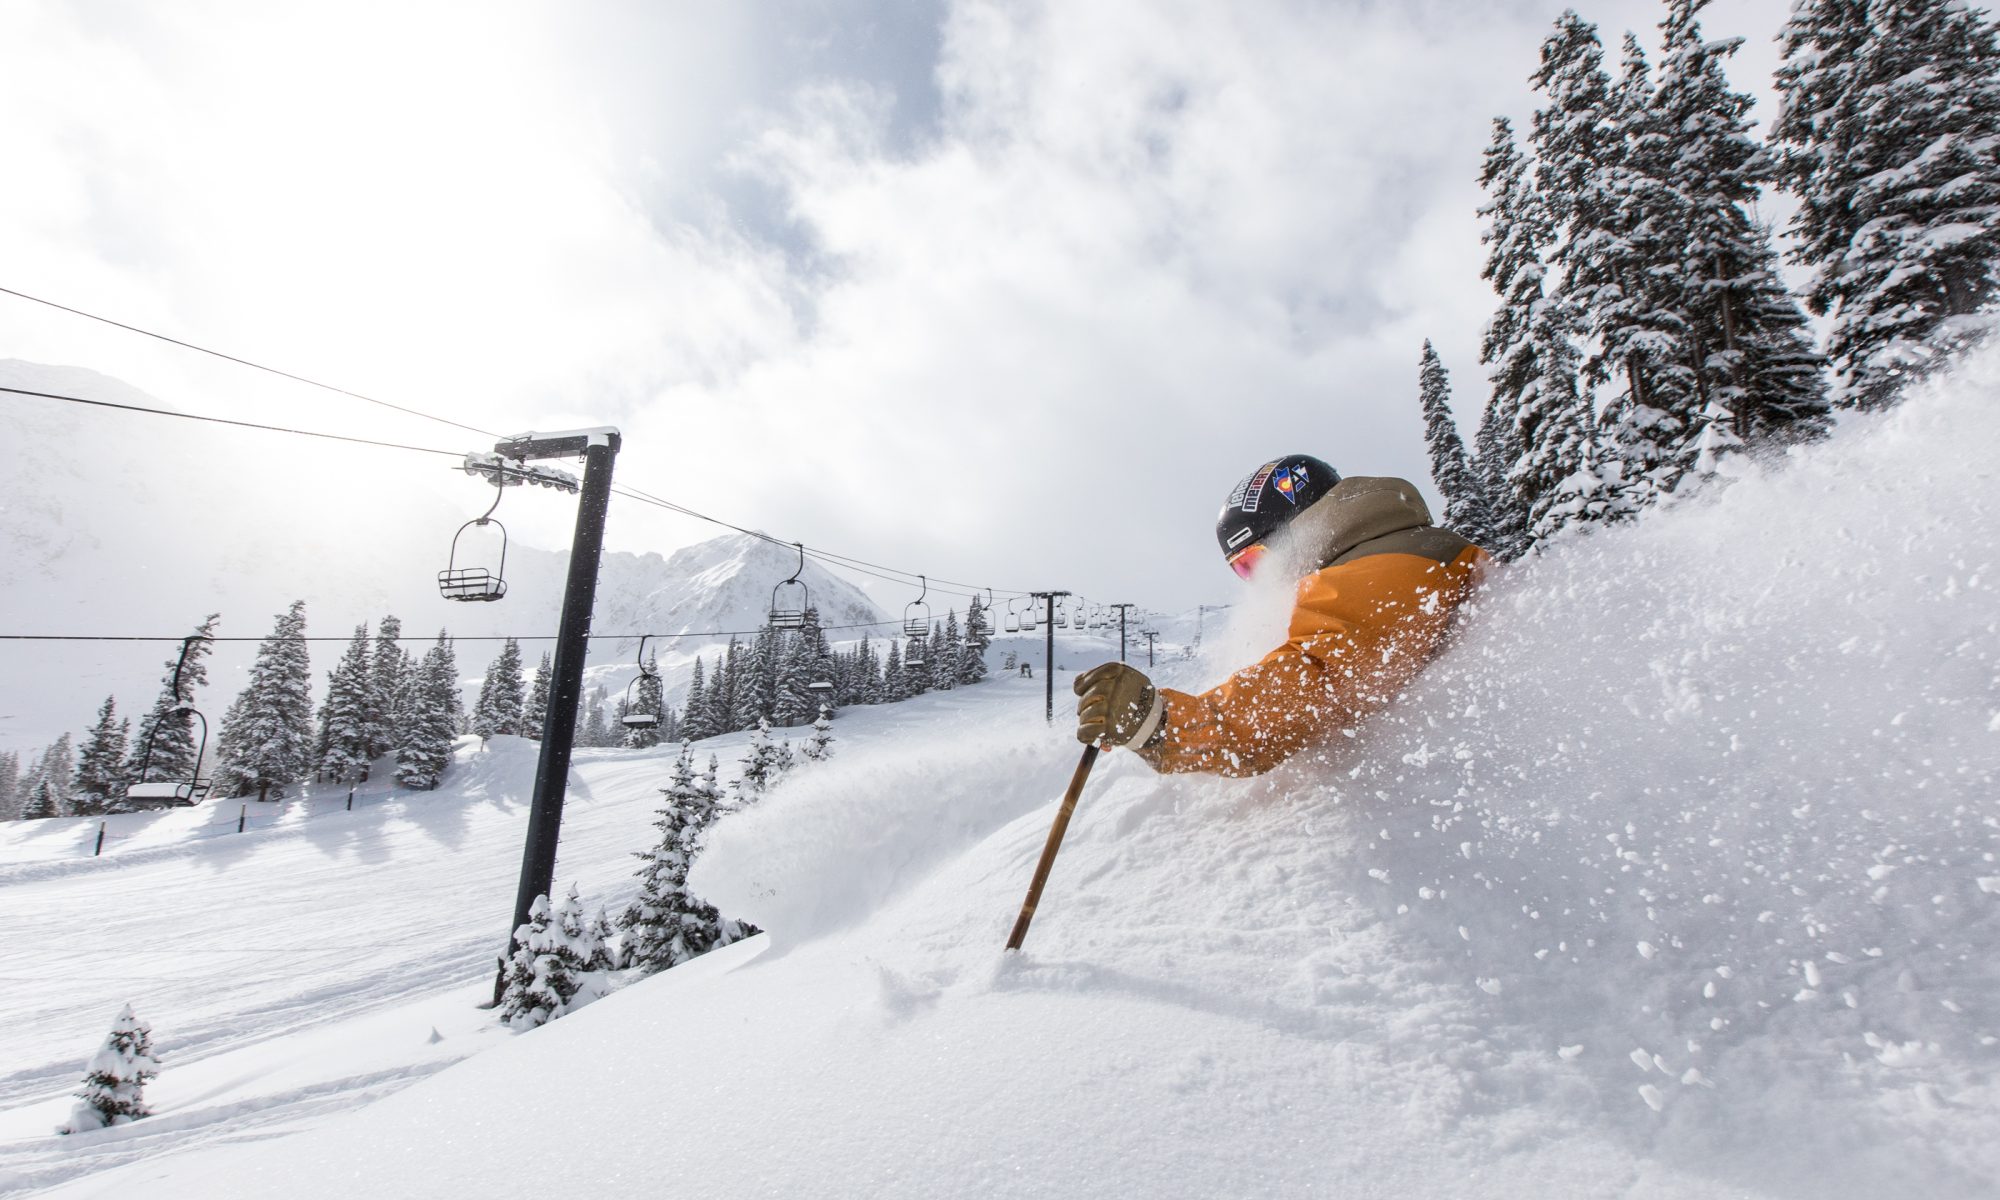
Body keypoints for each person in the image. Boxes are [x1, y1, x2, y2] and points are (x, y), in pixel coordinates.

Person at [1074, 455, 1488, 777]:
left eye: (1254, 562)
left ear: (1303, 526)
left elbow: (1313, 679)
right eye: (1242, 572)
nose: (1259, 583)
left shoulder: (1378, 567)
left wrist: (1161, 723)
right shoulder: (1395, 552)